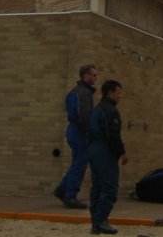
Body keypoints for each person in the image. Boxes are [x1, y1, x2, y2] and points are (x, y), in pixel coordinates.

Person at [53, 64, 98, 209]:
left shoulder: (77, 92)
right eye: (94, 75)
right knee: (80, 164)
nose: (96, 78)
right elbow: (83, 116)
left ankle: (63, 189)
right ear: (86, 76)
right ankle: (70, 196)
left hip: (75, 130)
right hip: (79, 131)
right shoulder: (83, 93)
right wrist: (90, 132)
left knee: (77, 163)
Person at [87, 79, 129, 235]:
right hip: (105, 150)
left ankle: (96, 222)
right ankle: (101, 220)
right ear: (110, 93)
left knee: (97, 186)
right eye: (118, 93)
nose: (120, 96)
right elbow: (113, 135)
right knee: (109, 186)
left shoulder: (96, 109)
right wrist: (121, 152)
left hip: (93, 148)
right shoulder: (110, 111)